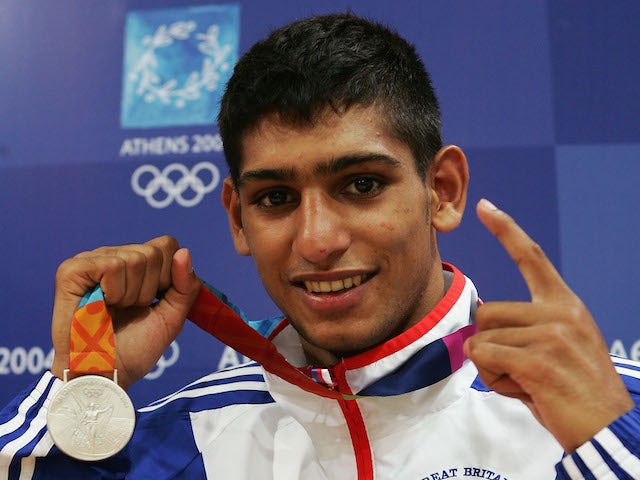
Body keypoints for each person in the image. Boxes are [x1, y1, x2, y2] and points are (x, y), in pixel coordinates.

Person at [1, 13, 639, 479]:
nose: (318, 240)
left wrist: (614, 443)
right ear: (238, 219)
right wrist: (78, 384)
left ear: (441, 190)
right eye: (276, 197)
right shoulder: (178, 444)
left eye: (361, 185)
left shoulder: (607, 412)